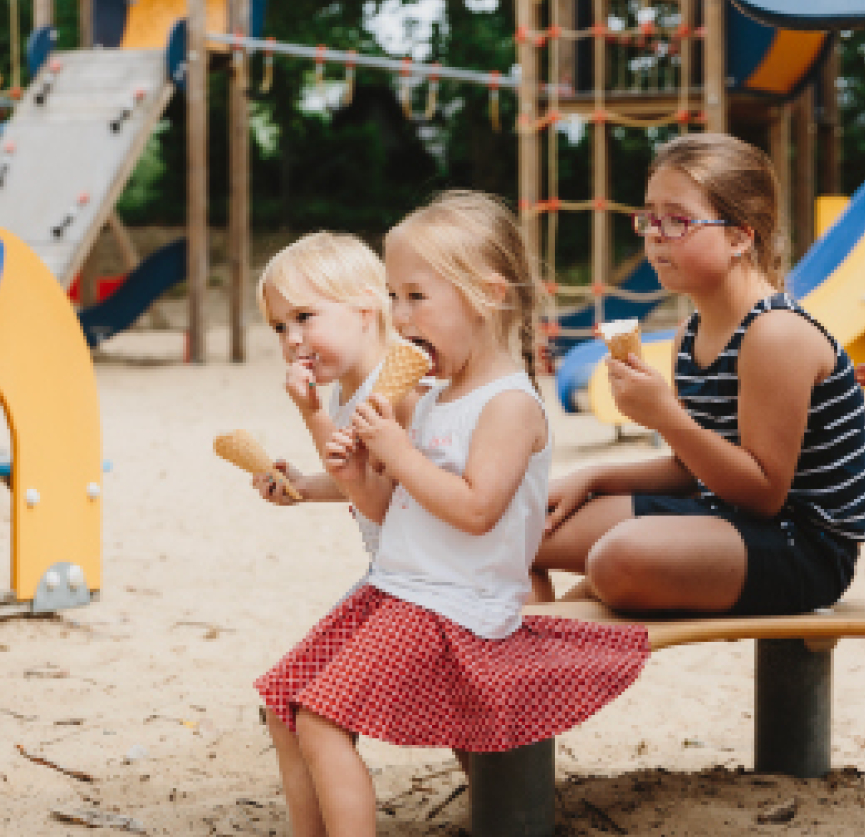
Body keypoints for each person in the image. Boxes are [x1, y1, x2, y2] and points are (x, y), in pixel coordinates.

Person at [255, 192, 647, 837]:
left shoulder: (508, 406)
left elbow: (475, 511)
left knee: (322, 718)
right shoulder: (430, 395)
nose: (397, 315)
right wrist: (355, 467)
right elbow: (385, 508)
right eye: (393, 296)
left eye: (415, 297)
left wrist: (399, 452)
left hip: (455, 608)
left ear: (487, 295)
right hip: (400, 590)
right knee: (284, 704)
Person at [533, 133, 865, 614]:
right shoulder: (689, 335)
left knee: (617, 556)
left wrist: (666, 417)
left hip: (805, 544)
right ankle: (525, 670)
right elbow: (695, 468)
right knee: (521, 530)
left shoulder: (776, 333)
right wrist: (595, 475)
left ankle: (556, 644)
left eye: (678, 220)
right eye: (650, 218)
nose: (655, 234)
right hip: (722, 511)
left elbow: (763, 494)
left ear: (739, 236)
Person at [248, 232, 409, 837]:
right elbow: (356, 483)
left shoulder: (397, 390)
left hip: (416, 588)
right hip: (388, 580)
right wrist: (304, 486)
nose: (292, 340)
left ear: (367, 308)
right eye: (280, 327)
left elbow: (379, 498)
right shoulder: (350, 390)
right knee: (284, 707)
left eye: (305, 318)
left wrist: (310, 414)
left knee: (313, 712)